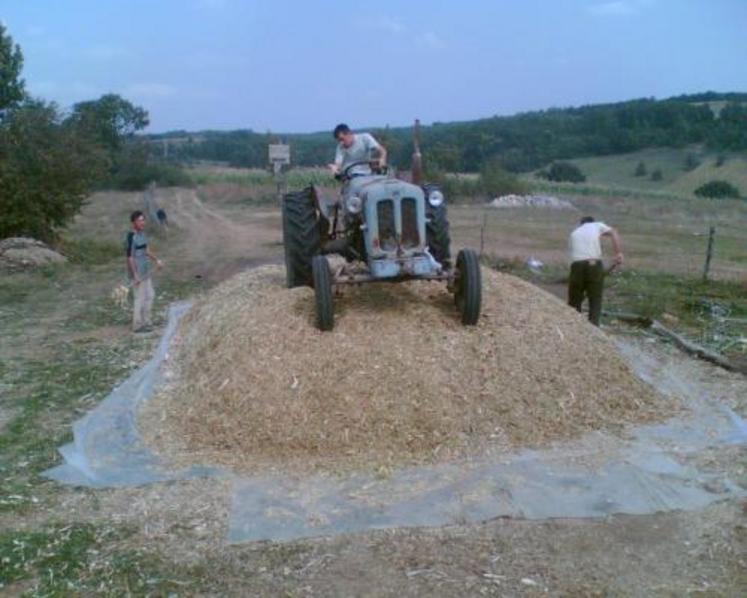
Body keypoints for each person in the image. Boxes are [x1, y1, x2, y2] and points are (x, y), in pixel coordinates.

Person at [567, 216, 623, 326]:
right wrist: (618, 253)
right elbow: (613, 233)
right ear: (592, 222)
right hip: (593, 264)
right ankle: (593, 329)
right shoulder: (597, 225)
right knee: (595, 298)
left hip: (576, 266)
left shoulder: (574, 233)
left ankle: (572, 327)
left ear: (581, 224)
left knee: (574, 300)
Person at [125, 210, 162, 333]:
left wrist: (157, 260)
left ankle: (146, 321)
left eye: (143, 220)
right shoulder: (131, 237)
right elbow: (130, 257)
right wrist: (135, 275)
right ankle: (137, 325)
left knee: (150, 295)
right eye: (140, 220)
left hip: (146, 271)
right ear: (133, 222)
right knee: (139, 298)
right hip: (137, 273)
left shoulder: (142, 234)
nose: (142, 222)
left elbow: (146, 250)